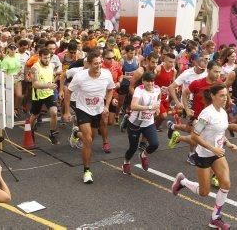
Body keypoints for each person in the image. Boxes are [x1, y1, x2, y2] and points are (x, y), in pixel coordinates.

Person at [172, 83, 237, 230]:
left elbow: (220, 133)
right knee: (204, 192)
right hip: (204, 155)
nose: (225, 98)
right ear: (213, 96)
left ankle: (215, 218)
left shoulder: (223, 112)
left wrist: (228, 143)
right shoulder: (206, 114)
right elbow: (195, 136)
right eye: (221, 95)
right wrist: (212, 148)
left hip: (218, 154)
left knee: (226, 184)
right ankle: (182, 182)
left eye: (226, 95)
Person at [67, 50, 115, 184]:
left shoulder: (106, 74)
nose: (99, 66)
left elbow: (111, 89)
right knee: (88, 140)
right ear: (88, 64)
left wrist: (106, 106)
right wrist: (65, 111)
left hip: (98, 110)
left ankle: (76, 133)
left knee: (91, 138)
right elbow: (68, 91)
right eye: (95, 64)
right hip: (83, 109)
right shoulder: (80, 76)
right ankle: (87, 171)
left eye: (100, 63)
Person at [122, 71, 161, 174]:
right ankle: (126, 162)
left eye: (152, 81)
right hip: (135, 123)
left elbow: (158, 99)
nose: (151, 83)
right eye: (148, 81)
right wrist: (149, 107)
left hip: (148, 122)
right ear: (143, 81)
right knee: (133, 148)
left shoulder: (157, 89)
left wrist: (158, 108)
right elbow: (133, 106)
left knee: (155, 144)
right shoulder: (139, 90)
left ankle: (143, 154)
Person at [29, 48, 60, 145]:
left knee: (54, 112)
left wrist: (54, 81)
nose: (47, 60)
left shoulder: (51, 65)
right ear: (40, 57)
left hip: (49, 93)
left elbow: (52, 77)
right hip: (38, 95)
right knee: (35, 115)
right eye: (45, 58)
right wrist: (48, 85)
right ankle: (30, 132)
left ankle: (52, 133)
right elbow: (35, 85)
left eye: (49, 58)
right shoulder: (35, 68)